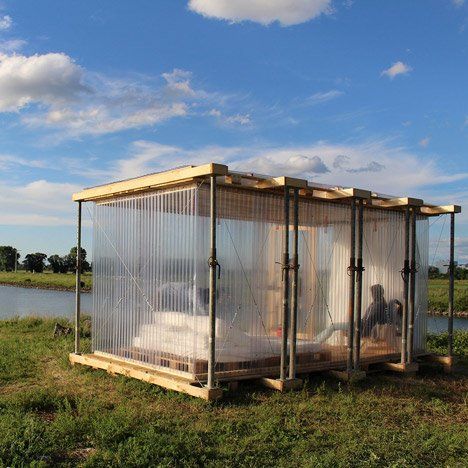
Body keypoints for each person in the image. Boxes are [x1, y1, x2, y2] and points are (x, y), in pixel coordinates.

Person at [314, 284, 388, 343]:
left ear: (377, 293)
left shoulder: (379, 305)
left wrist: (374, 336)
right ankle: (317, 339)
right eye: (372, 293)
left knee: (333, 326)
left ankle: (317, 341)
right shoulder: (378, 303)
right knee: (334, 326)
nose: (372, 295)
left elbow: (380, 322)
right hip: (358, 325)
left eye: (373, 292)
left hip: (359, 328)